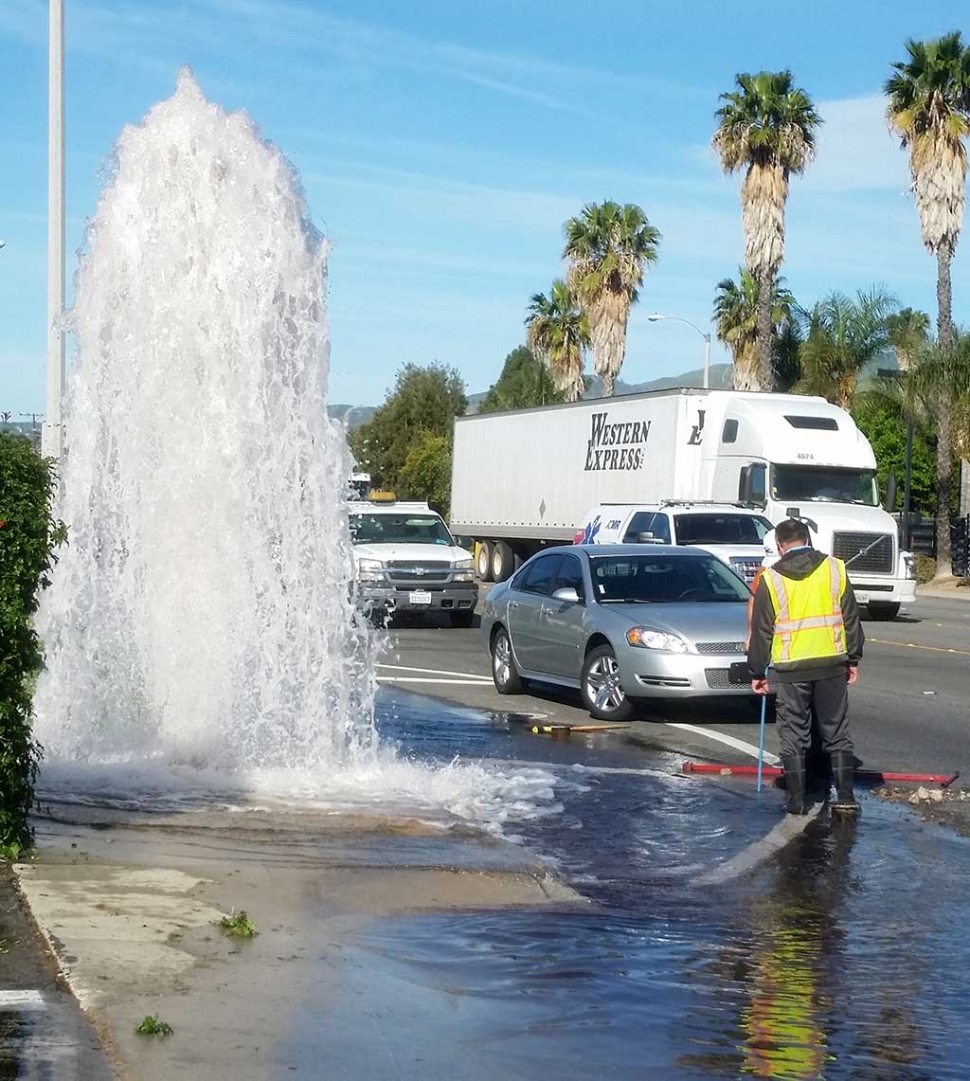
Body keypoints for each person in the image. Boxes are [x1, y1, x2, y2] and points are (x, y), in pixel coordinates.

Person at [747, 518, 864, 816]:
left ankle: (798, 800)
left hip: (790, 669)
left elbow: (762, 631)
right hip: (831, 663)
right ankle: (845, 797)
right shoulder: (835, 568)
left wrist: (758, 672)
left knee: (793, 732)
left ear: (779, 546)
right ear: (808, 539)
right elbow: (851, 618)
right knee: (836, 730)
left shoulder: (771, 579)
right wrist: (853, 658)